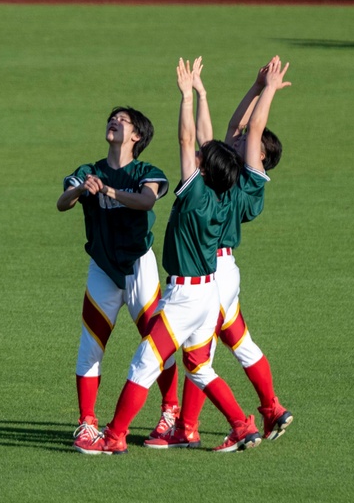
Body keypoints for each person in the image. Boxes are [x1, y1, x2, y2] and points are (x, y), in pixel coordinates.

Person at [75, 57, 289, 455]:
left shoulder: (195, 197)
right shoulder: (235, 192)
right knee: (202, 366)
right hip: (209, 289)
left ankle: (116, 436)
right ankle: (242, 425)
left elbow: (191, 140)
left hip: (188, 295)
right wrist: (215, 92)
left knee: (144, 364)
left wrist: (188, 96)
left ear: (206, 171)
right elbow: (218, 138)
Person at [145, 56, 293, 449]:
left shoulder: (247, 180)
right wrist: (253, 86)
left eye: (250, 142)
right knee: (232, 344)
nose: (243, 136)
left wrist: (271, 91)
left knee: (202, 349)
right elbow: (230, 129)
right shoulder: (227, 169)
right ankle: (270, 409)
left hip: (214, 269)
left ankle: (191, 427)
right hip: (219, 268)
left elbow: (254, 126)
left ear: (261, 156)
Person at [56, 108, 177, 451]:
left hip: (140, 266)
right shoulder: (88, 171)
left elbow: (147, 200)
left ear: (137, 135)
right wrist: (80, 189)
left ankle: (170, 411)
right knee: (90, 346)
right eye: (112, 118)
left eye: (122, 120)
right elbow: (62, 203)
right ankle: (87, 423)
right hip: (102, 267)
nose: (114, 122)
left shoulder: (146, 171)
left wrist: (109, 191)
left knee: (157, 344)